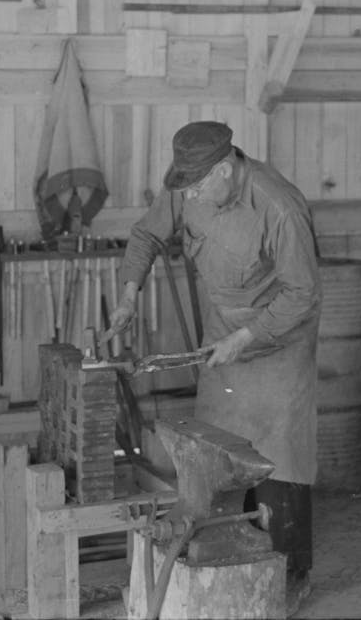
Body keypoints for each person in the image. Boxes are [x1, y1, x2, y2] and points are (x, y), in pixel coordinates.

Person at [105, 121, 322, 616]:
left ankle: (289, 574)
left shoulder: (278, 206)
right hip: (222, 339)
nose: (192, 197)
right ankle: (232, 557)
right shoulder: (188, 184)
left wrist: (246, 339)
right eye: (187, 189)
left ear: (225, 170)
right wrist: (127, 296)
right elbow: (145, 236)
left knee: (278, 458)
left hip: (278, 345)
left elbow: (303, 294)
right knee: (218, 448)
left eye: (200, 187)